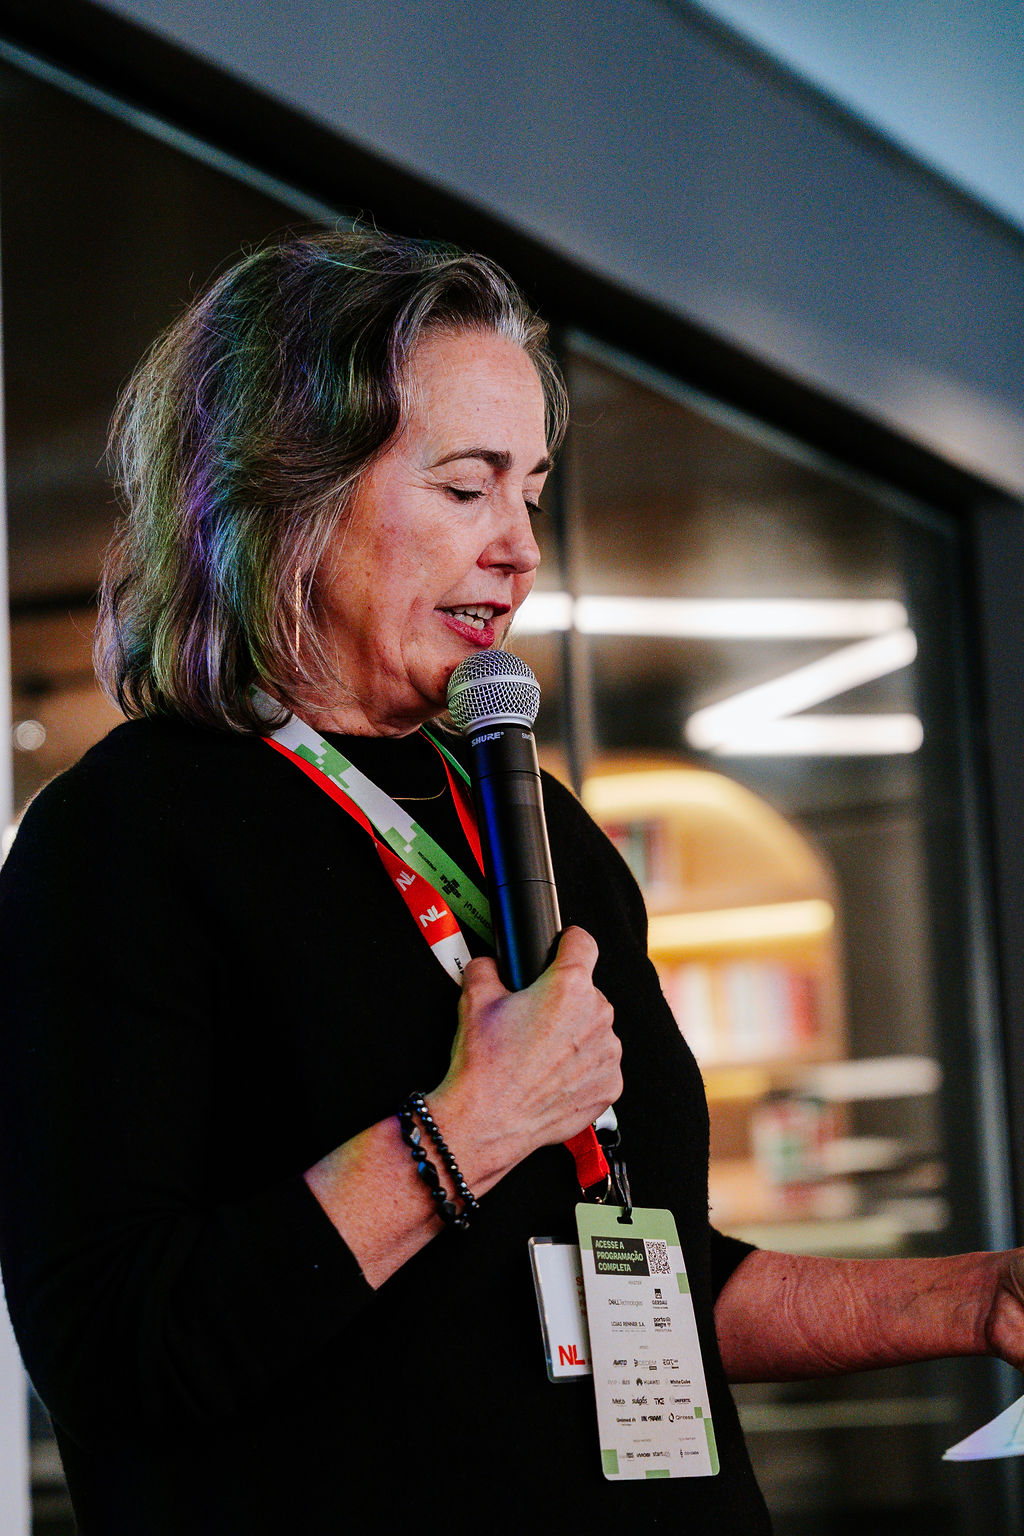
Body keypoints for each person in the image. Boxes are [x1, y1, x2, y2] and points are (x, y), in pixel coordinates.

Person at [0, 228, 1021, 1535]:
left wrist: (975, 1300)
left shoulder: (542, 828)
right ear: (289, 495)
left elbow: (639, 1278)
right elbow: (114, 1350)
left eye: (531, 491)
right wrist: (465, 1131)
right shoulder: (126, 835)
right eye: (467, 486)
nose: (521, 547)